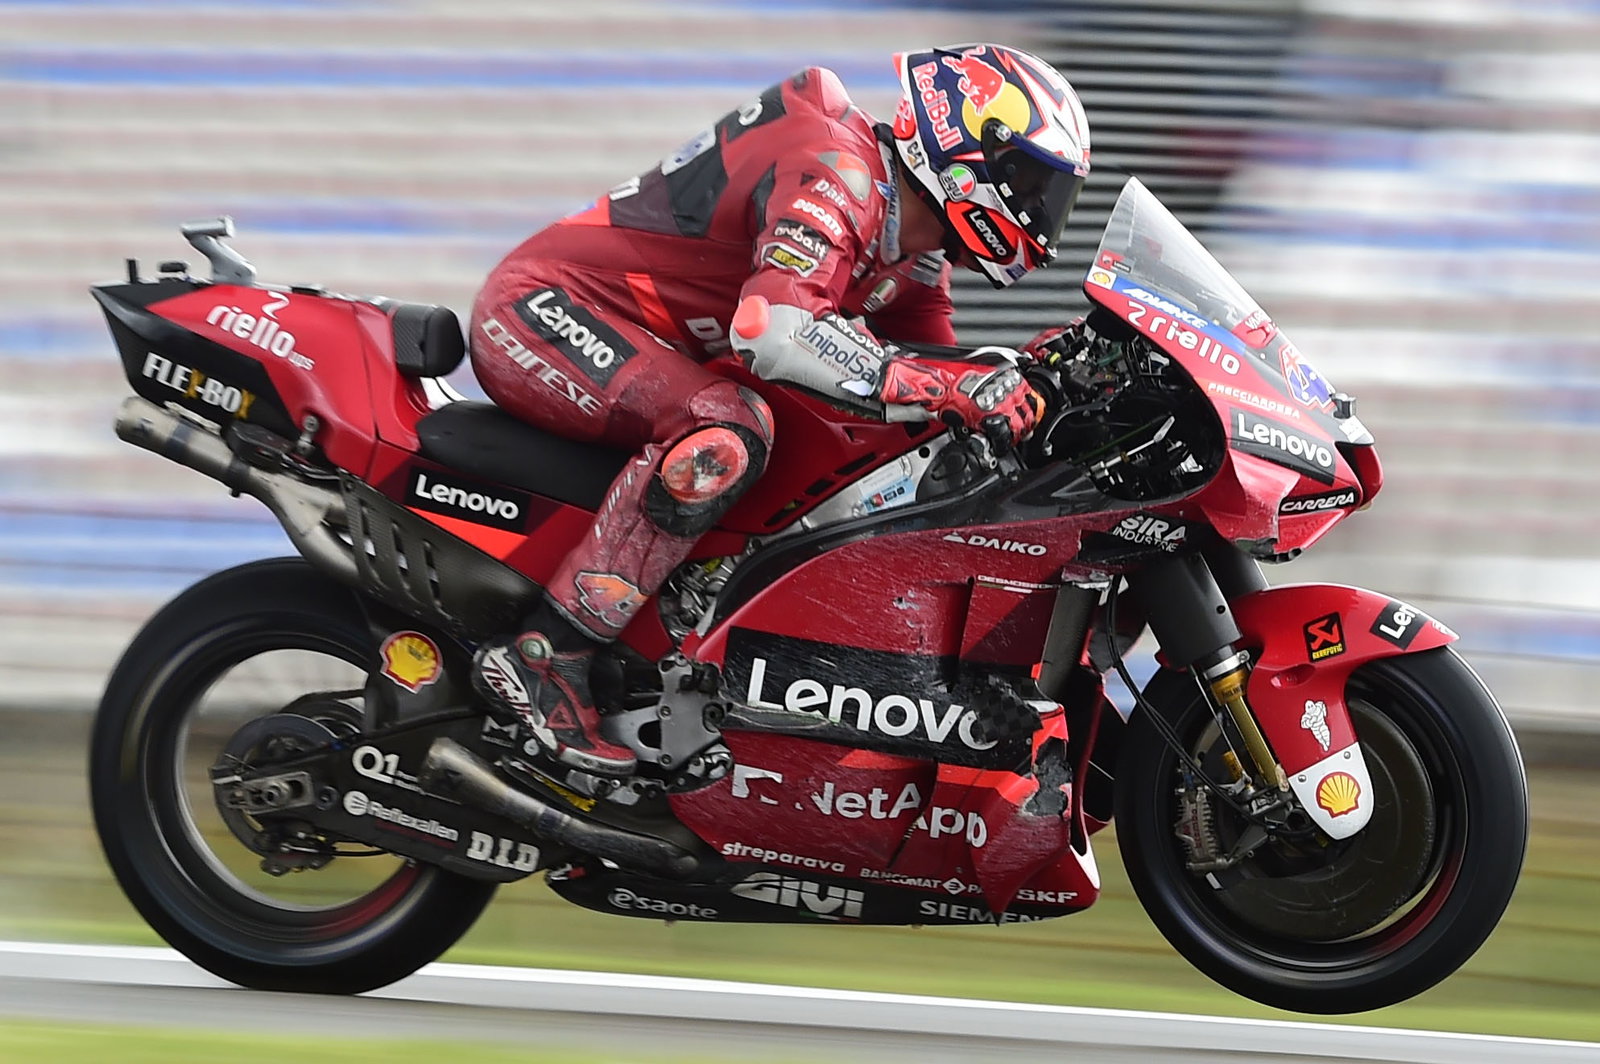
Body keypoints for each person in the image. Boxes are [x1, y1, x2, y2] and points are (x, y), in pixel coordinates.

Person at [469, 43, 1092, 785]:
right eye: (1027, 180)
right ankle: (547, 653)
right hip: (543, 310)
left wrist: (1023, 381)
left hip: (643, 351)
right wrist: (949, 388)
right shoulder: (839, 167)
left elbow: (932, 376)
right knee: (729, 429)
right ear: (965, 148)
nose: (1039, 210)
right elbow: (773, 329)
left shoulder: (915, 254)